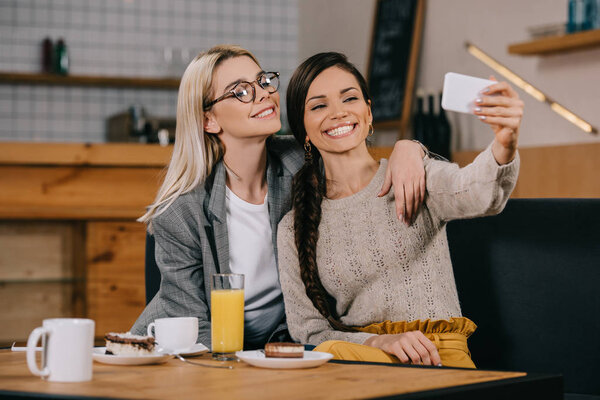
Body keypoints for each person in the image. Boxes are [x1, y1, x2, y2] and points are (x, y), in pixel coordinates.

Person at [130, 45, 427, 350]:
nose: (263, 94)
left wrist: (409, 147)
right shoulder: (180, 211)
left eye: (263, 81)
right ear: (209, 121)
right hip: (194, 354)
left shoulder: (301, 160)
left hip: (280, 347)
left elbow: (360, 160)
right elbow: (194, 329)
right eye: (241, 92)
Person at [277, 52, 522, 367]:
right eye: (319, 105)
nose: (337, 113)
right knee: (333, 354)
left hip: (436, 355)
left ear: (368, 112)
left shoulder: (412, 173)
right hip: (364, 359)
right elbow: (309, 333)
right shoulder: (293, 227)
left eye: (349, 99)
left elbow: (478, 193)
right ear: (304, 130)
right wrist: (379, 341)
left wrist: (505, 142)